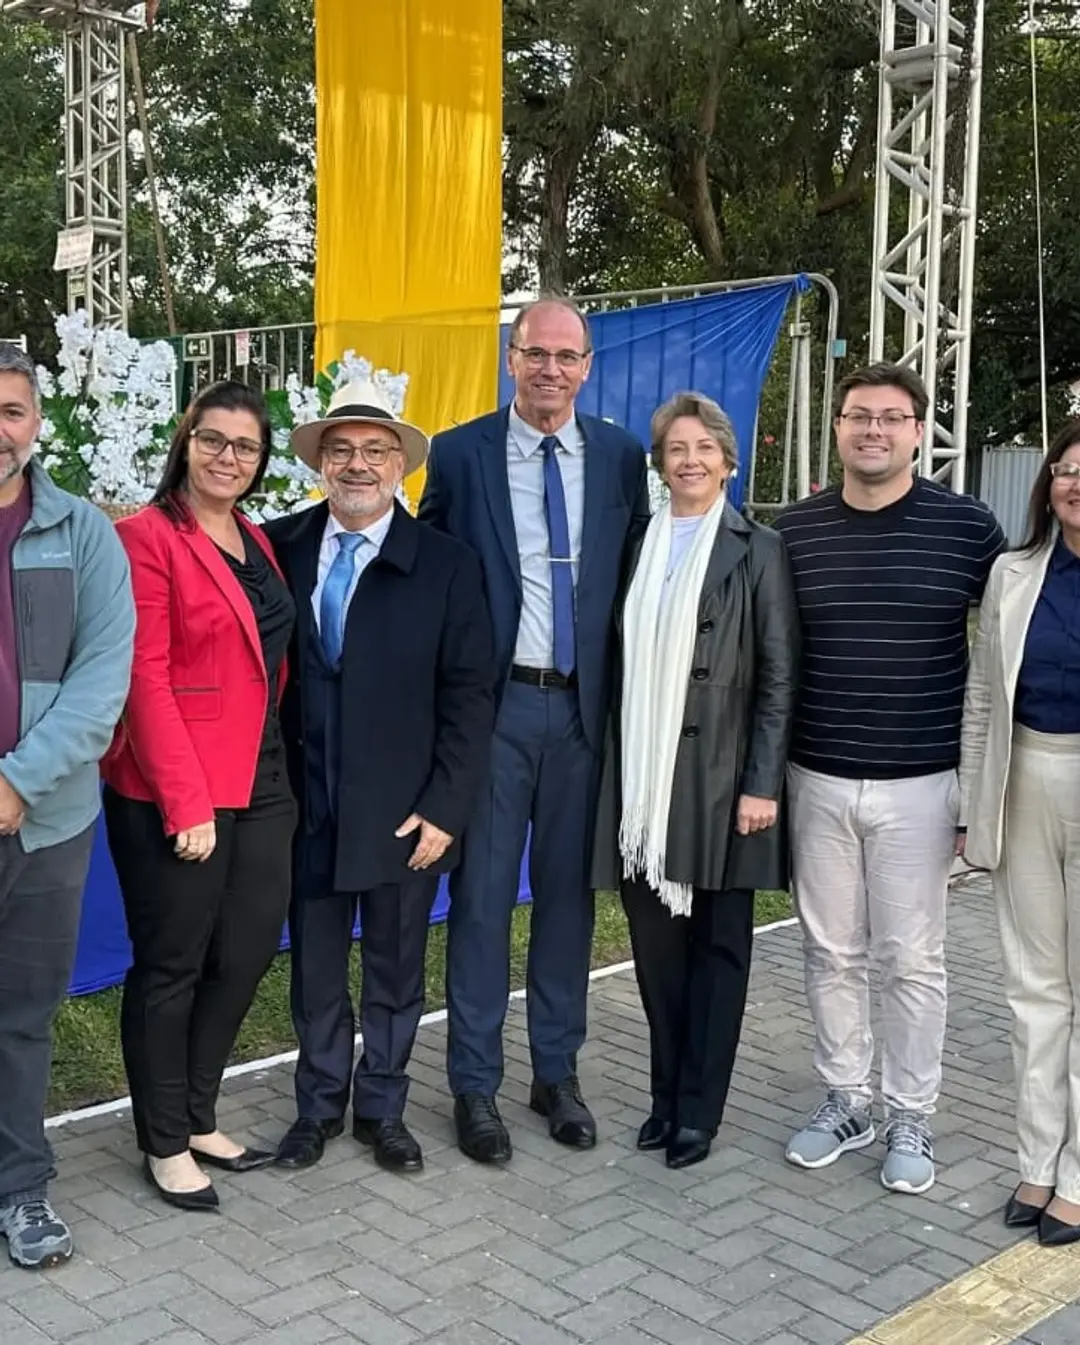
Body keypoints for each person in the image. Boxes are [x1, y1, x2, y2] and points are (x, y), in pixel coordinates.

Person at [419, 296, 651, 1164]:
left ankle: (556, 1072)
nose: (551, 368)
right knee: (480, 900)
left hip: (584, 712)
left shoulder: (623, 457)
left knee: (567, 901)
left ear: (588, 365)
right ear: (510, 359)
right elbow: (438, 577)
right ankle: (473, 1084)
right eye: (535, 352)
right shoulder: (462, 453)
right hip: (498, 709)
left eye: (567, 354)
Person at [774, 362, 1004, 1195]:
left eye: (891, 418)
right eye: (858, 416)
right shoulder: (793, 531)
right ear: (837, 428)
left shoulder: (969, 530)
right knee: (830, 951)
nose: (873, 430)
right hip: (818, 777)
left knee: (912, 959)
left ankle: (912, 1110)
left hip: (921, 784)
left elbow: (1011, 645)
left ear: (918, 432)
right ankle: (847, 1097)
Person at [268, 379, 494, 1174]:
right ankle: (318, 1107)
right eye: (341, 451)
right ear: (320, 463)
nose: (357, 465)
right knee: (317, 968)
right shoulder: (281, 545)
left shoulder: (445, 564)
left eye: (374, 451)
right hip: (308, 803)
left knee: (397, 969)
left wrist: (446, 808)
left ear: (400, 465)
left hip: (405, 811)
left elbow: (472, 695)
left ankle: (383, 1108)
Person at [101, 382, 297, 1211]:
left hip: (264, 779)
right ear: (186, 442)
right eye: (213, 440)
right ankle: (162, 1138)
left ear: (259, 463)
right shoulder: (144, 539)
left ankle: (197, 1108)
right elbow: (142, 674)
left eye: (245, 447)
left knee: (245, 950)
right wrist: (185, 801)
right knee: (173, 965)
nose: (228, 457)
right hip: (174, 789)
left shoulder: (254, 537)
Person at [592, 392, 797, 1169]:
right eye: (676, 447)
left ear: (728, 458)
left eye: (704, 447)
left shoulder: (759, 547)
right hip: (644, 784)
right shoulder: (636, 540)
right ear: (661, 461)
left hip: (720, 781)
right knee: (656, 952)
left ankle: (699, 1109)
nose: (690, 460)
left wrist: (761, 783)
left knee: (718, 950)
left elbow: (779, 676)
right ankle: (663, 1093)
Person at [0, 342, 134, 1268]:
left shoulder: (83, 533)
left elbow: (101, 682)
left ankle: (20, 1187)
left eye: (12, 409)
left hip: (44, 822)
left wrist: (13, 782)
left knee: (23, 1013)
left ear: (36, 422)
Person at [960, 420, 1080, 1246]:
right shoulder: (1013, 572)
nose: (1077, 482)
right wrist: (973, 809)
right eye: (1067, 470)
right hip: (1025, 777)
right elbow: (981, 697)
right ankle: (1038, 1159)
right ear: (1048, 486)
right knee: (1033, 990)